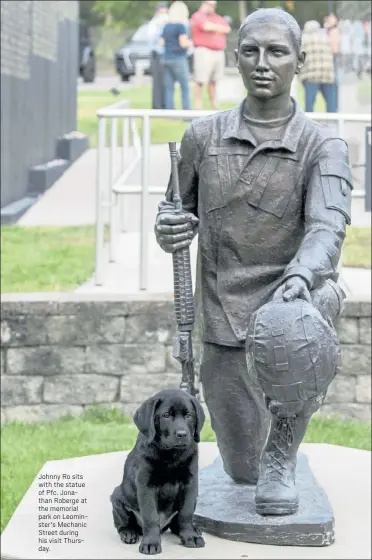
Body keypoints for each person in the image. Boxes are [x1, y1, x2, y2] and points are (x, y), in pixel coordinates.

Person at [155, 8, 352, 515]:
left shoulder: (322, 145)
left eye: (277, 52)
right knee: (239, 468)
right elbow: (175, 207)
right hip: (223, 308)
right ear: (234, 57)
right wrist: (169, 226)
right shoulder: (202, 137)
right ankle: (257, 460)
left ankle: (282, 460)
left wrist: (303, 276)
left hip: (291, 303)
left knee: (300, 327)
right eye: (251, 51)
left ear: (299, 61)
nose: (263, 63)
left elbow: (327, 227)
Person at [190, 0, 231, 110]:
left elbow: (227, 28)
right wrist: (217, 28)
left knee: (214, 81)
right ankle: (197, 106)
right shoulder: (197, 16)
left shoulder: (217, 17)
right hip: (204, 51)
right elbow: (205, 26)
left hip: (218, 51)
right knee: (200, 80)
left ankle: (214, 105)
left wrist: (214, 27)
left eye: (213, 5)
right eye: (210, 4)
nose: (212, 6)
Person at [299, 20, 337, 113]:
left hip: (311, 76)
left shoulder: (304, 39)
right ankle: (332, 124)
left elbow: (300, 58)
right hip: (327, 75)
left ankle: (309, 124)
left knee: (310, 104)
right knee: (331, 103)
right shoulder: (325, 38)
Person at [160, 1, 191, 110]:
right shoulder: (181, 26)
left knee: (169, 88)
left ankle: (170, 112)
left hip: (166, 58)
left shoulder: (166, 27)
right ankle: (187, 113)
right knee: (185, 87)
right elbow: (183, 43)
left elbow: (161, 43)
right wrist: (190, 43)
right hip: (178, 59)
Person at [149, 2, 169, 109]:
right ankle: (157, 106)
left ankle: (165, 104)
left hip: (166, 54)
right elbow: (153, 39)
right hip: (157, 54)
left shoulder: (168, 22)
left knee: (166, 81)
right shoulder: (153, 24)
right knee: (157, 81)